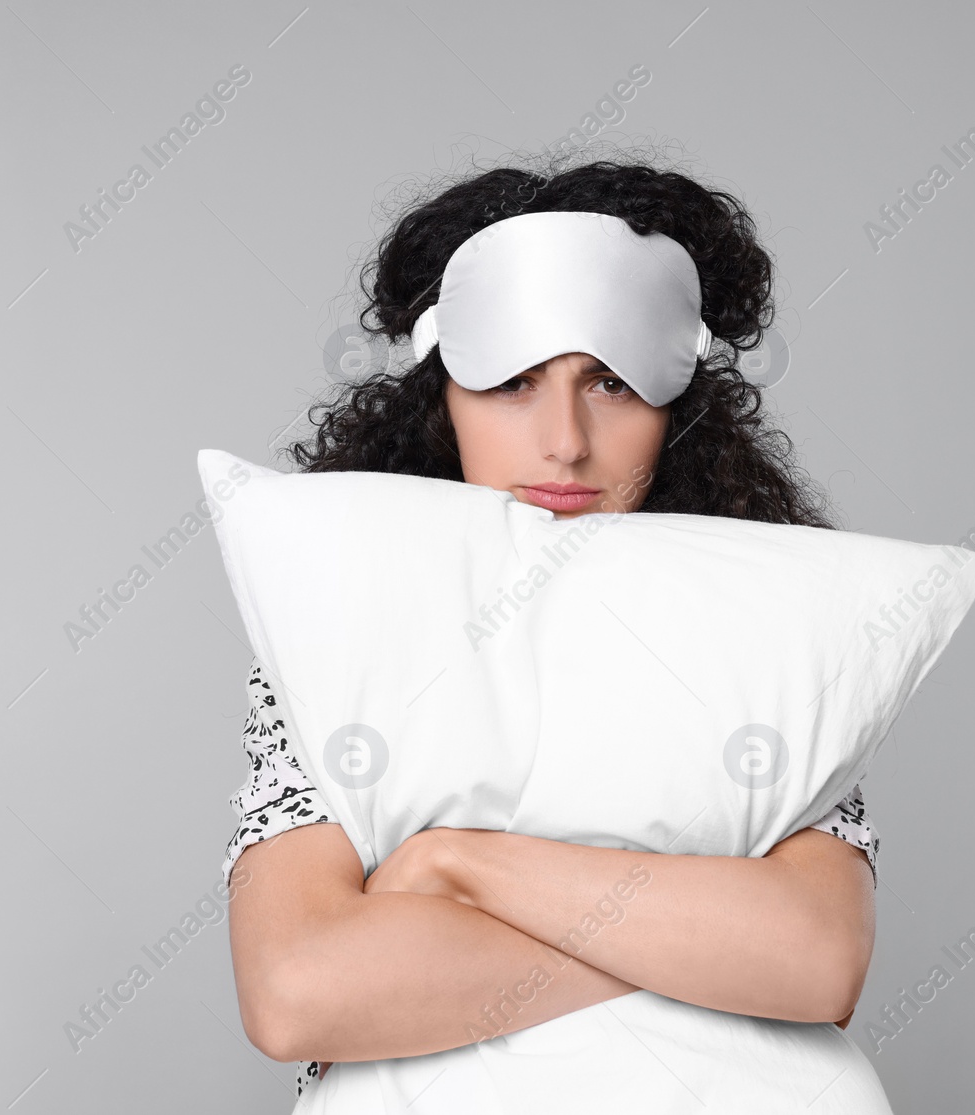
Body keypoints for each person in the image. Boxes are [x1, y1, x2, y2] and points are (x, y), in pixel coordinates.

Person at [223, 156, 887, 1110]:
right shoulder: (335, 639)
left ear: (680, 404)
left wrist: (458, 863)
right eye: (515, 381)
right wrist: (694, 949)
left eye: (612, 382)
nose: (566, 439)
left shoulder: (772, 632)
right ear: (440, 394)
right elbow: (298, 990)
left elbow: (817, 958)